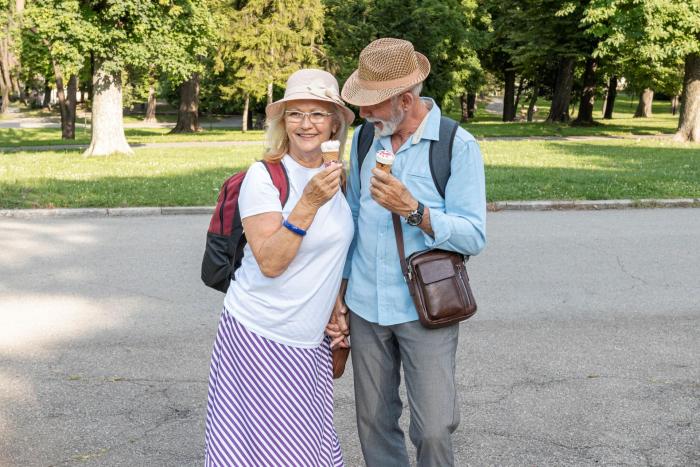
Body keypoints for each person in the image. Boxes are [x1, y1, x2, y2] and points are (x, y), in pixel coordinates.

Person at [327, 38, 487, 467]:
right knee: (373, 422)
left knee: (433, 429)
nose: (362, 115)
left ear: (405, 99)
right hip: (365, 305)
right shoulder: (364, 140)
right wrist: (339, 296)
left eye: (371, 104)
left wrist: (415, 211)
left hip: (424, 308)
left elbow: (473, 236)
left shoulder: (455, 145)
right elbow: (353, 223)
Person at [204, 68, 355, 466]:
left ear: (335, 123)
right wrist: (307, 203)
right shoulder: (264, 177)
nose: (306, 124)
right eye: (295, 114)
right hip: (261, 333)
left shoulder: (340, 177)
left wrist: (337, 305)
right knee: (271, 453)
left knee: (307, 450)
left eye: (318, 114)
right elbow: (270, 262)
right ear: (282, 122)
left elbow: (333, 251)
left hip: (311, 341)